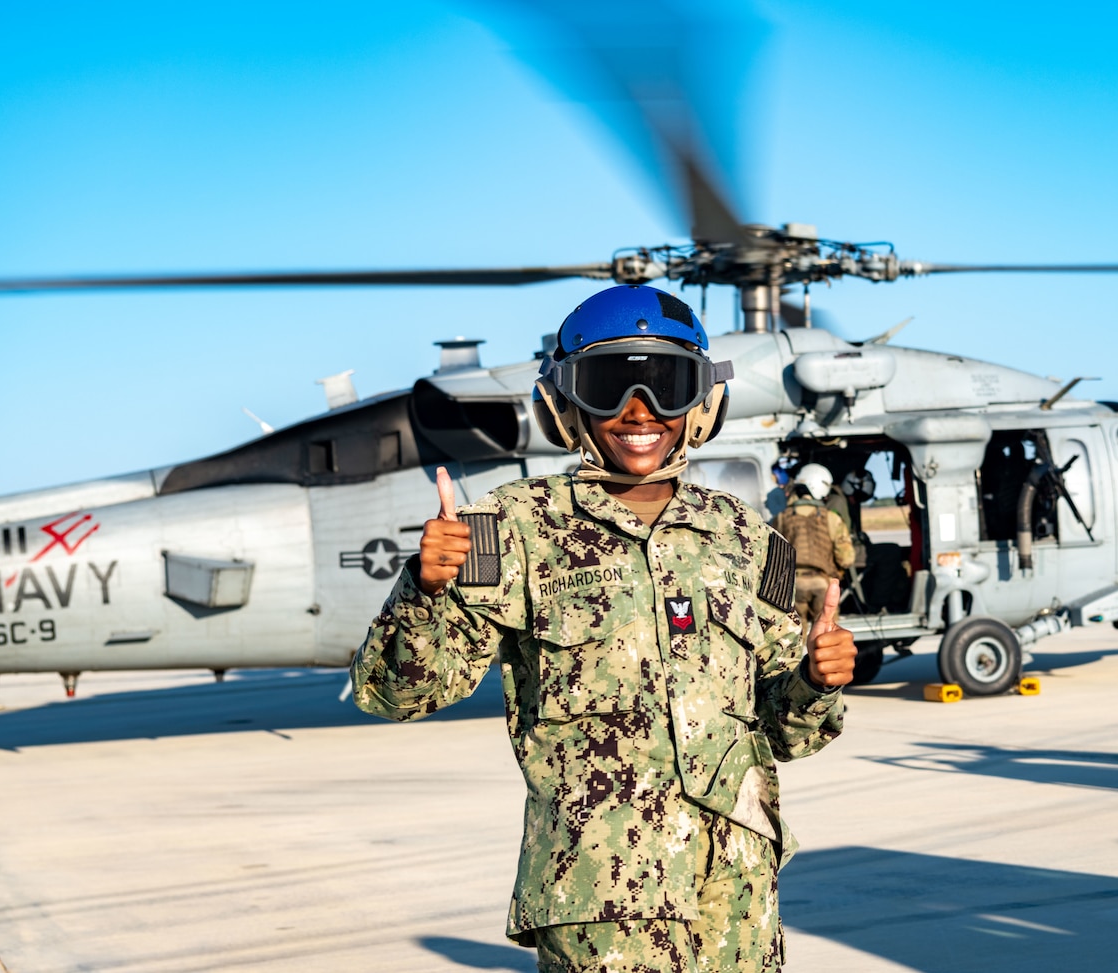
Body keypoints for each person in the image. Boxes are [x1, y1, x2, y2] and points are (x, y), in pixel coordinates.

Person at [351, 284, 856, 973]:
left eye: (666, 385)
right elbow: (398, 693)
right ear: (565, 403)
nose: (638, 411)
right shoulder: (515, 526)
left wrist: (815, 681)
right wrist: (425, 587)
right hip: (603, 903)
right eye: (610, 385)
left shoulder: (748, 538)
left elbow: (785, 733)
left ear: (703, 404)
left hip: (736, 895)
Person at [771, 463, 856, 629]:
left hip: (791, 587)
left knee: (792, 645)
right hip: (822, 585)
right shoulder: (831, 518)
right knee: (825, 642)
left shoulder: (780, 518)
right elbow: (847, 559)